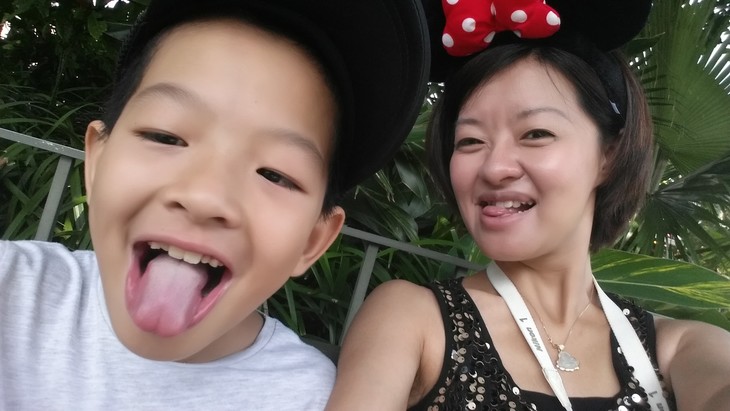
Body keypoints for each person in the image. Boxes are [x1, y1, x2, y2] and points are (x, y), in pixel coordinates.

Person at [0, 0, 430, 409]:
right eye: (165, 137)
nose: (205, 197)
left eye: (274, 174)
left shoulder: (312, 401)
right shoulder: (12, 290)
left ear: (312, 242)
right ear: (96, 163)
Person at [326, 0, 730, 410]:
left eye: (535, 133)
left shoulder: (678, 349)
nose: (494, 167)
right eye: (470, 141)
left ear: (608, 154)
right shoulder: (412, 319)